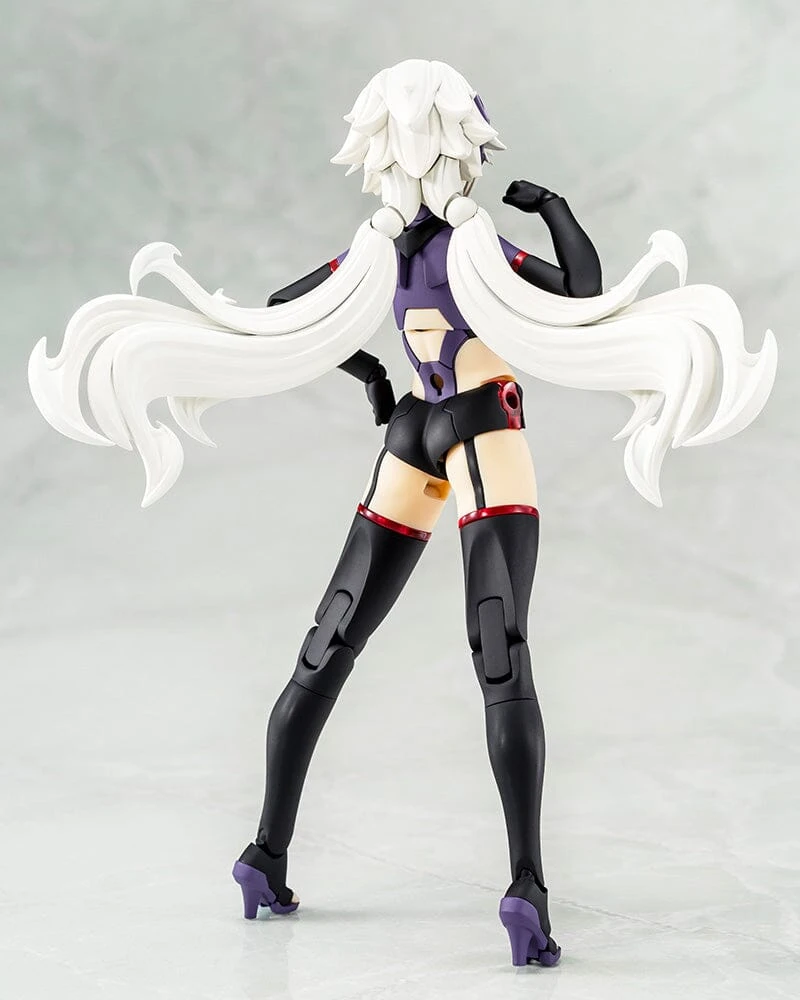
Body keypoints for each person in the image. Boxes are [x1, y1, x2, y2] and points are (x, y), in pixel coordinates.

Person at [28, 58, 776, 968]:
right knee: (500, 655)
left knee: (327, 644)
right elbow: (584, 293)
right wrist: (552, 208)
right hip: (480, 426)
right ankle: (527, 887)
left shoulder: (379, 257)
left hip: (410, 432)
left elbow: (286, 311)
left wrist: (373, 376)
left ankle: (265, 852)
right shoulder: (477, 252)